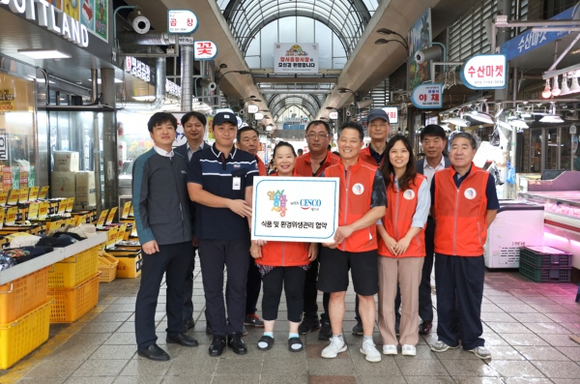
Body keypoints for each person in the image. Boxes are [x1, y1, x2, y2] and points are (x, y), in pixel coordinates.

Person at [187, 111, 259, 356]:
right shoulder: (200, 158)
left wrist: (254, 236)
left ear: (235, 132)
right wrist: (230, 203)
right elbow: (195, 194)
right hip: (209, 235)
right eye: (221, 128)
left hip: (239, 235)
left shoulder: (248, 160)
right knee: (212, 286)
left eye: (231, 128)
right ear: (213, 130)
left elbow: (251, 198)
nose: (226, 133)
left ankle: (236, 332)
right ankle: (218, 334)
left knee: (238, 285)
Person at [318, 121, 386, 363]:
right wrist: (324, 236)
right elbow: (318, 209)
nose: (347, 144)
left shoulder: (372, 172)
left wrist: (350, 228)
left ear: (361, 144)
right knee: (335, 293)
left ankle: (368, 340)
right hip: (333, 246)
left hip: (364, 245)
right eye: (343, 139)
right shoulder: (327, 172)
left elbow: (379, 209)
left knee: (366, 295)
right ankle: (337, 339)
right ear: (337, 142)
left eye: (353, 140)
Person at [132, 112, 198, 361]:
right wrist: (145, 236)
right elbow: (138, 203)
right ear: (152, 134)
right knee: (149, 292)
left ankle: (175, 331)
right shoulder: (145, 162)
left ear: (175, 131)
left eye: (169, 127)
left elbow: (188, 202)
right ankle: (146, 342)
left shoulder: (181, 161)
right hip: (156, 241)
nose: (165, 132)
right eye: (159, 128)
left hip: (182, 239)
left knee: (178, 289)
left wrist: (192, 232)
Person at [429, 132, 498, 360]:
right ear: (449, 151)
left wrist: (477, 231)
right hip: (445, 247)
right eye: (455, 147)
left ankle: (472, 340)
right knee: (446, 296)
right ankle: (446, 337)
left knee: (471, 296)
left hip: (471, 250)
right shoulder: (439, 178)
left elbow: (491, 211)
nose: (458, 151)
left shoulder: (485, 179)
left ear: (473, 152)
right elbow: (433, 210)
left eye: (464, 147)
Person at [251, 141, 318, 353]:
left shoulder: (306, 185)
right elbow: (253, 214)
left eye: (288, 156)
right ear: (274, 160)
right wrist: (254, 240)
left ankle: (293, 333)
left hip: (297, 251)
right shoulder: (264, 185)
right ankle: (268, 332)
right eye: (280, 156)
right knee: (270, 293)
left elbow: (315, 216)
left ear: (295, 159)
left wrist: (314, 242)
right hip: (269, 251)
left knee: (295, 293)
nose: (284, 161)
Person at [377, 135, 429, 357]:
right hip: (385, 247)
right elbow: (376, 214)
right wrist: (387, 238)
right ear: (388, 155)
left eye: (403, 151)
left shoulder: (420, 181)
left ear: (410, 154)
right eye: (394, 151)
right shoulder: (380, 180)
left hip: (413, 247)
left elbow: (422, 213)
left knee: (410, 296)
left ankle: (408, 338)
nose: (399, 155)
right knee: (386, 296)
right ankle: (388, 337)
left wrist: (407, 238)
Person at [294, 120, 340, 340]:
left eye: (321, 134)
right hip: (302, 233)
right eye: (312, 134)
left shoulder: (338, 164)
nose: (316, 138)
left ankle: (329, 321)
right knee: (306, 278)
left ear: (328, 138)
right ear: (306, 137)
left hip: (331, 233)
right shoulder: (296, 163)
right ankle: (309, 317)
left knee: (330, 278)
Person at [356, 108, 391, 336]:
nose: (377, 128)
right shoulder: (359, 157)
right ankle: (363, 321)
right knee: (365, 280)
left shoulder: (398, 153)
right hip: (363, 226)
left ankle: (391, 320)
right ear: (367, 128)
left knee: (391, 278)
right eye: (373, 124)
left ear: (389, 127)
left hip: (393, 225)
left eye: (382, 124)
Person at [174, 111, 207, 333]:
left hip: (207, 223)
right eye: (189, 125)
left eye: (198, 125)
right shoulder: (174, 154)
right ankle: (185, 316)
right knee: (183, 273)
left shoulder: (213, 154)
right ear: (183, 129)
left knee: (211, 274)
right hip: (180, 224)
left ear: (205, 128)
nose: (193, 129)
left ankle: (214, 317)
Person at [416, 124, 450, 335]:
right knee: (423, 273)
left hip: (448, 226)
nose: (431, 145)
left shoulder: (453, 167)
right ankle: (426, 317)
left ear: (443, 143)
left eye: (436, 140)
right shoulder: (415, 167)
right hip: (422, 227)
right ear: (422, 143)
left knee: (446, 276)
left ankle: (448, 320)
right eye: (427, 141)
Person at [236, 126, 266, 330]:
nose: (251, 143)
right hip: (237, 227)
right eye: (246, 139)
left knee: (256, 271)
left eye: (254, 139)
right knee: (239, 272)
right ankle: (237, 314)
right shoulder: (233, 164)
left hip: (259, 226)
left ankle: (249, 311)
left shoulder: (262, 165)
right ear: (238, 144)